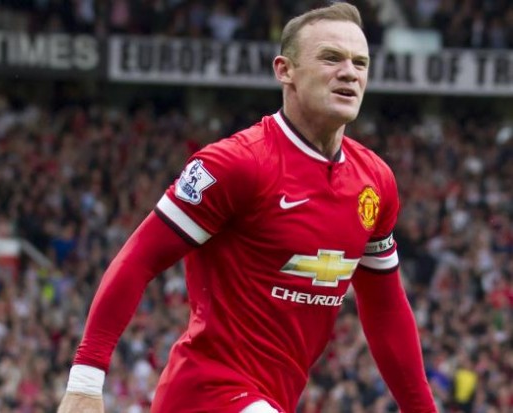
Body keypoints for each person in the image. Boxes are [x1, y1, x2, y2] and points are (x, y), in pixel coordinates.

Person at [58, 3, 437, 412]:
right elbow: (139, 258)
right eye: (331, 58)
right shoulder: (237, 163)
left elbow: (385, 309)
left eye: (360, 62)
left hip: (273, 398)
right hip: (205, 393)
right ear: (285, 70)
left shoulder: (375, 182)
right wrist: (85, 381)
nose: (350, 72)